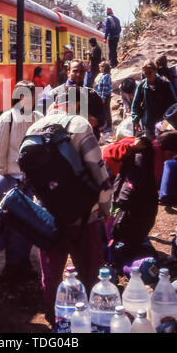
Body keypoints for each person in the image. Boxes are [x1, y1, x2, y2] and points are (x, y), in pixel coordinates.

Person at [25, 85, 112, 325]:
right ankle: (91, 316)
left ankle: (54, 316)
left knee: (51, 271)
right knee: (89, 268)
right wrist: (105, 206)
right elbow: (98, 169)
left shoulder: (34, 127)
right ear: (77, 105)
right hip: (81, 215)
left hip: (46, 214)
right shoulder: (79, 125)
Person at [0, 80, 43, 283]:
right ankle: (12, 264)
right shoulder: (7, 119)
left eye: (30, 95)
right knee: (11, 226)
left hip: (32, 181)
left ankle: (24, 262)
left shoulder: (39, 118)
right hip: (11, 180)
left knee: (29, 225)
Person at [108, 131, 177, 264]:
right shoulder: (143, 155)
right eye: (170, 154)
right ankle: (119, 259)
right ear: (163, 148)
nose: (169, 158)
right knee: (125, 233)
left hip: (137, 202)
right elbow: (134, 185)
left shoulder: (154, 154)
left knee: (138, 230)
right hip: (130, 203)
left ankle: (129, 255)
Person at [48, 59, 105, 140]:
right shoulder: (54, 94)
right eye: (75, 71)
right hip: (61, 144)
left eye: (82, 72)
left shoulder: (93, 95)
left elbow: (102, 120)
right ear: (68, 73)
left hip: (88, 143)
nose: (78, 74)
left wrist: (94, 121)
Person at [131, 60, 177, 140]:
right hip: (149, 122)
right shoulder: (141, 86)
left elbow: (174, 104)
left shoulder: (165, 83)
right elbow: (135, 105)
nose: (147, 75)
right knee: (152, 145)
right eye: (145, 73)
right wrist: (136, 120)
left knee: (164, 144)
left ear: (155, 71)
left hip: (164, 122)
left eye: (150, 72)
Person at [95, 61, 113, 132]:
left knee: (106, 111)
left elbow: (105, 88)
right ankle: (104, 125)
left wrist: (103, 98)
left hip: (105, 97)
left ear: (104, 68)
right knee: (103, 111)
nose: (99, 69)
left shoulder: (106, 76)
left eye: (100, 67)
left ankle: (108, 125)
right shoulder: (103, 76)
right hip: (102, 96)